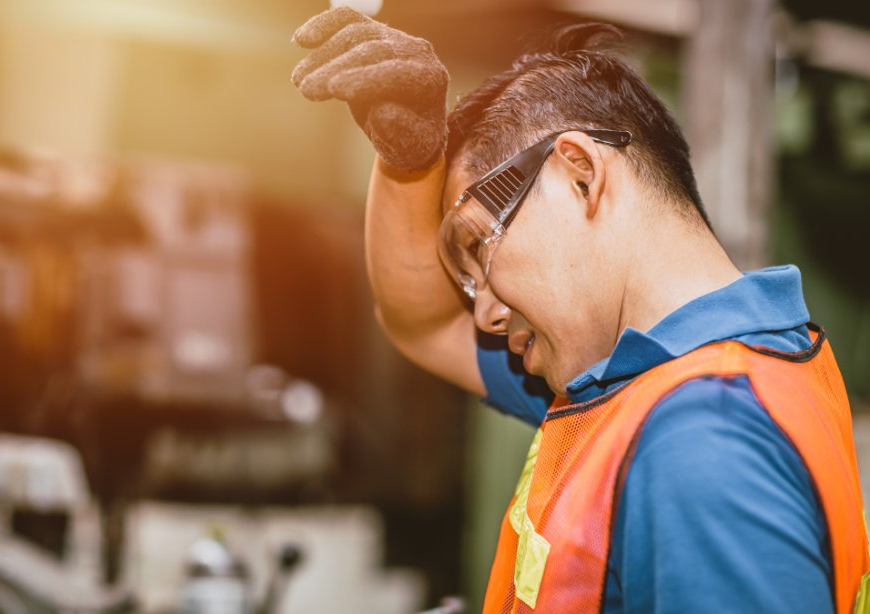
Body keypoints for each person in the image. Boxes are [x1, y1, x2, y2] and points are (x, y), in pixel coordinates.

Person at [291, 7, 869, 614]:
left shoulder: (700, 442)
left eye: (479, 249)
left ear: (580, 177)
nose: (485, 315)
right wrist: (409, 163)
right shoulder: (645, 381)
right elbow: (424, 321)